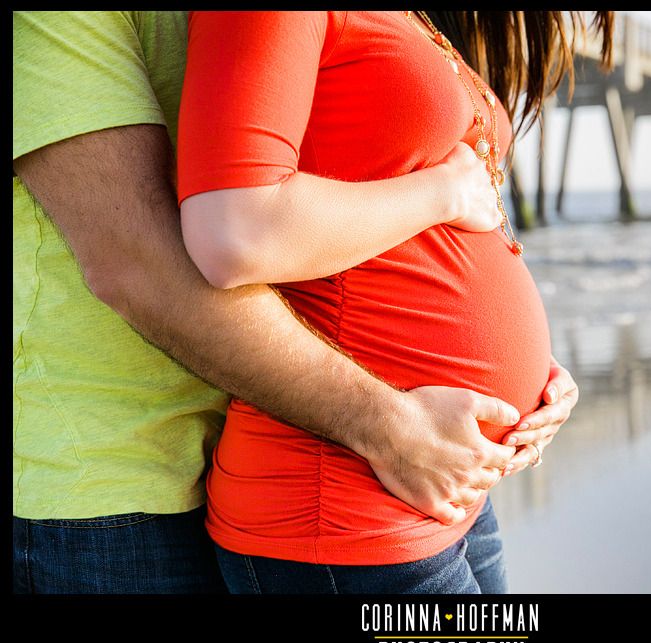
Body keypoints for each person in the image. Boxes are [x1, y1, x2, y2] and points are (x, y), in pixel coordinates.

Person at [12, 11, 582, 594]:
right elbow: (138, 261)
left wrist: (526, 374)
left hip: (389, 461)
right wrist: (388, 428)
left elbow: (357, 189)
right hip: (126, 487)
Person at [175, 10, 611, 594]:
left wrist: (537, 377)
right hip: (346, 506)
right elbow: (233, 233)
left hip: (444, 486)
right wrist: (444, 191)